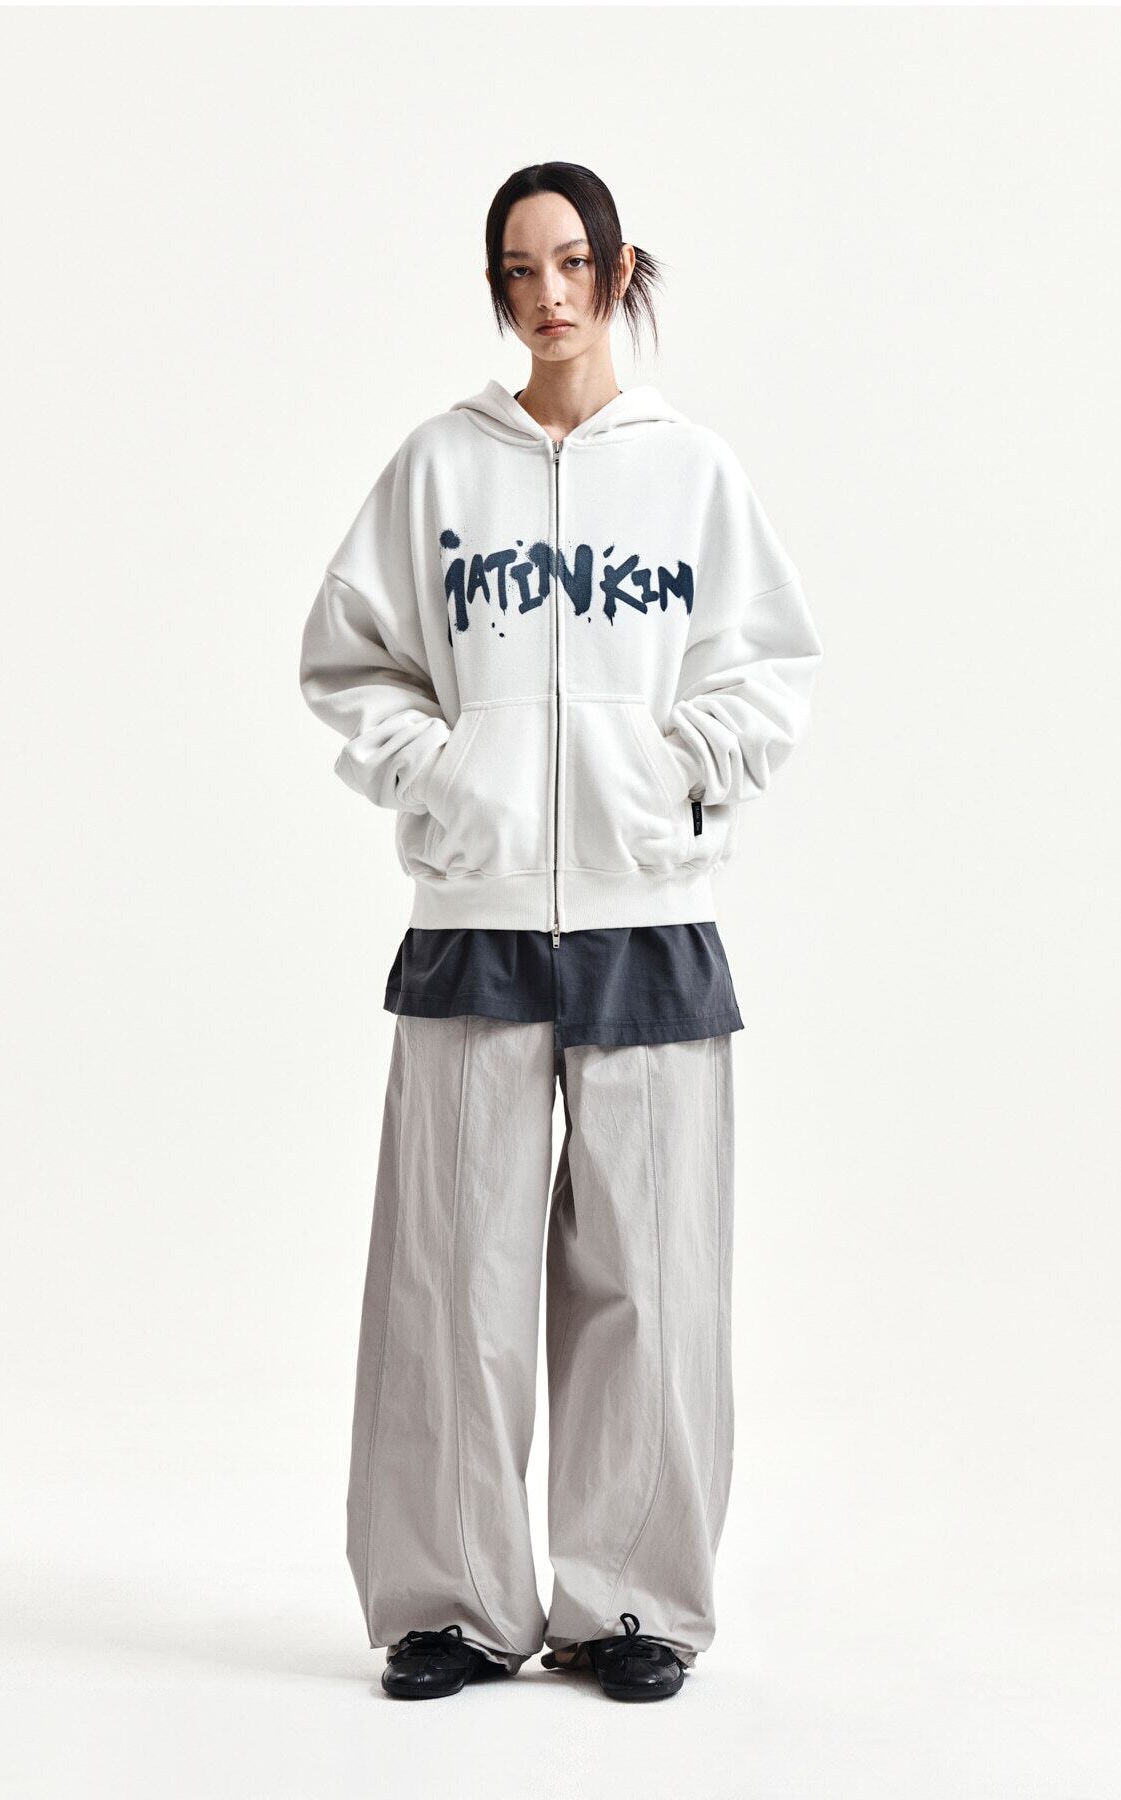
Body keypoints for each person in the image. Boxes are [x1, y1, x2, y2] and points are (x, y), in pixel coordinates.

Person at [298, 161, 823, 1702]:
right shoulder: (437, 469)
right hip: (476, 915)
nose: (550, 293)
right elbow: (350, 658)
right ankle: (449, 1605)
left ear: (619, 269)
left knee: (650, 1280)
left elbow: (768, 667)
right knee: (449, 1279)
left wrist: (676, 771)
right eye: (521, 269)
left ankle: (632, 1605)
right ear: (498, 290)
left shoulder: (692, 472)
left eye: (574, 261)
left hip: (647, 917)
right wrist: (443, 775)